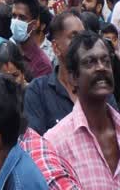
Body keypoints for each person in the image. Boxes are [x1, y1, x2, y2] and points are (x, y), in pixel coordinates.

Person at [45, 30, 120, 188]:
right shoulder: (55, 143)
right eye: (90, 62)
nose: (101, 68)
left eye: (106, 61)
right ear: (73, 77)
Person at [11, 0, 52, 78]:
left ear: (34, 24)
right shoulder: (6, 46)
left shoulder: (42, 65)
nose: (16, 21)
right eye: (14, 16)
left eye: (22, 18)